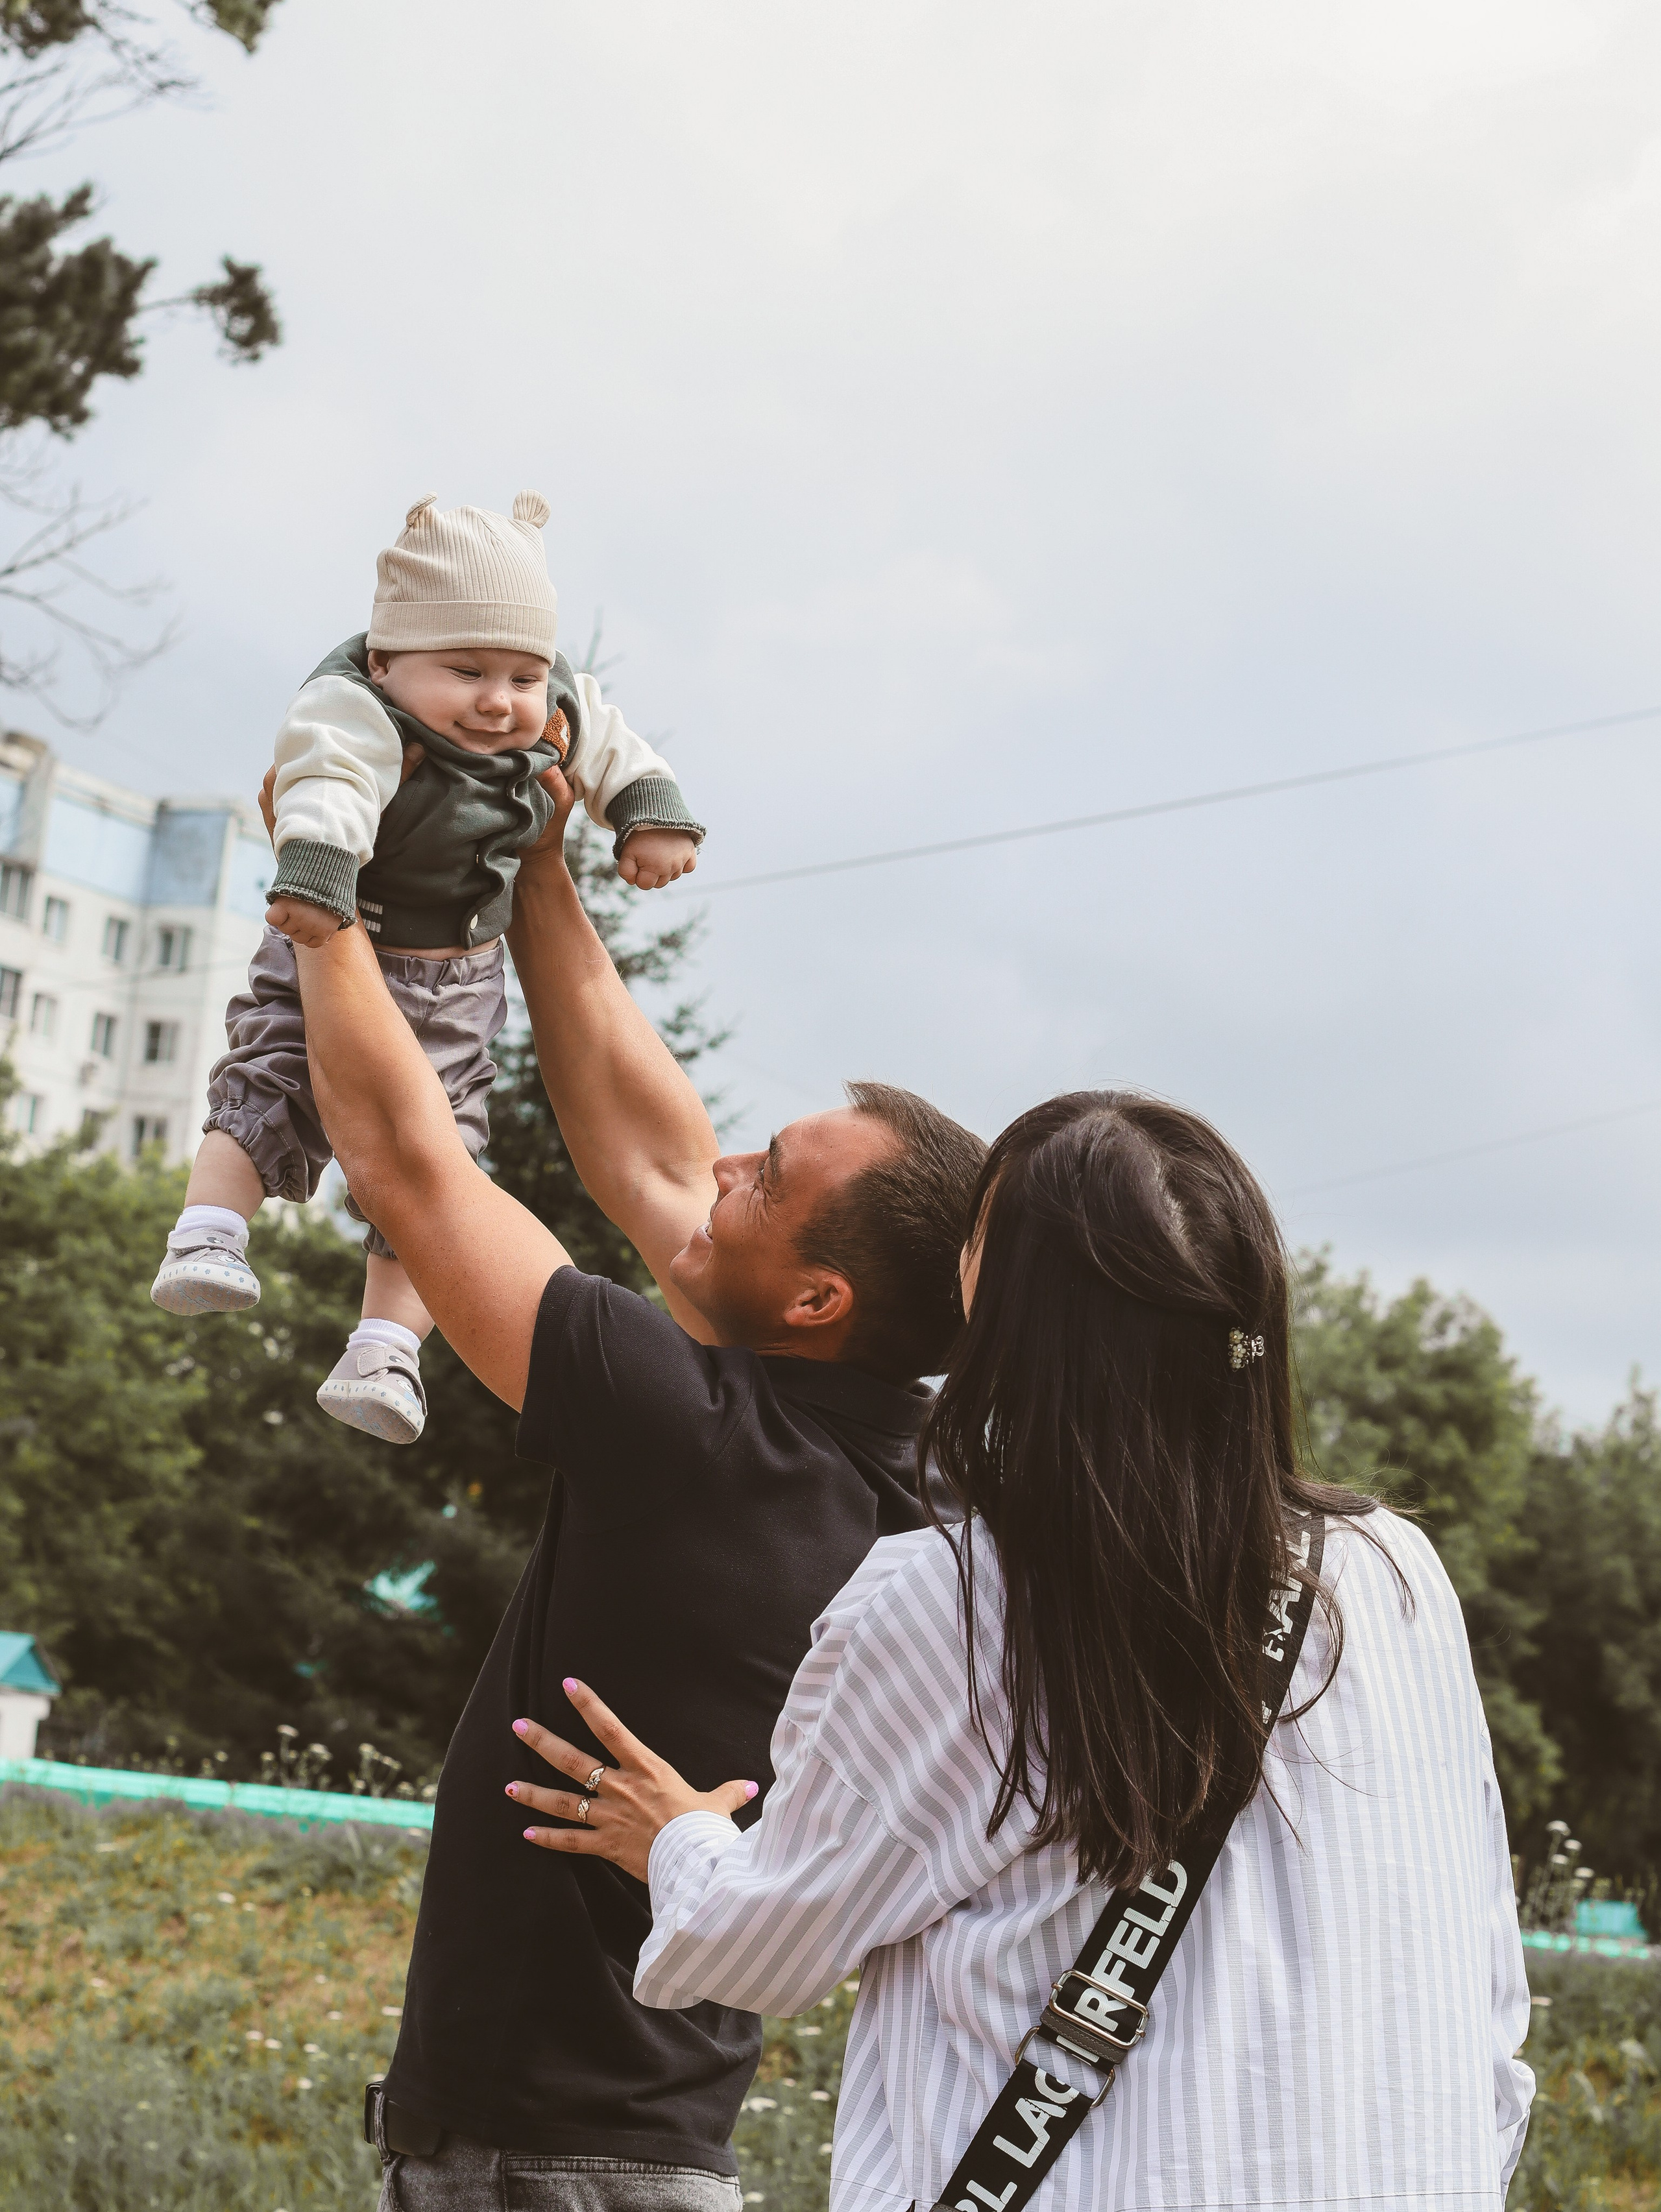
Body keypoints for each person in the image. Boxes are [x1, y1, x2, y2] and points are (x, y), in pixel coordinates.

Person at [507, 1091, 1537, 2211]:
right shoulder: (1391, 1578)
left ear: (1009, 1325)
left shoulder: (957, 1600)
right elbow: (1489, 2000)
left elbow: (763, 1946)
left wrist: (683, 1840)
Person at [285, 773, 988, 2212]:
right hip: (653, 2158)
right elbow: (656, 1153)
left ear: (814, 1296)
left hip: (530, 2167)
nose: (722, 1165)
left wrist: (322, 903)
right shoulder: (908, 1482)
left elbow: (406, 1161)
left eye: (767, 1175)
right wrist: (542, 870)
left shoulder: (689, 1432)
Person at [151, 489, 703, 1447]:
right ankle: (207, 1229)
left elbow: (614, 744)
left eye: (524, 674)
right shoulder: (354, 708)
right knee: (272, 1076)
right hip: (337, 926)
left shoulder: (552, 709)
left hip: (459, 976)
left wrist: (649, 812)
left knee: (443, 1149)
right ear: (386, 661)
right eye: (467, 670)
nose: (500, 700)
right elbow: (324, 785)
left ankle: (385, 1350)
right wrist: (317, 877)